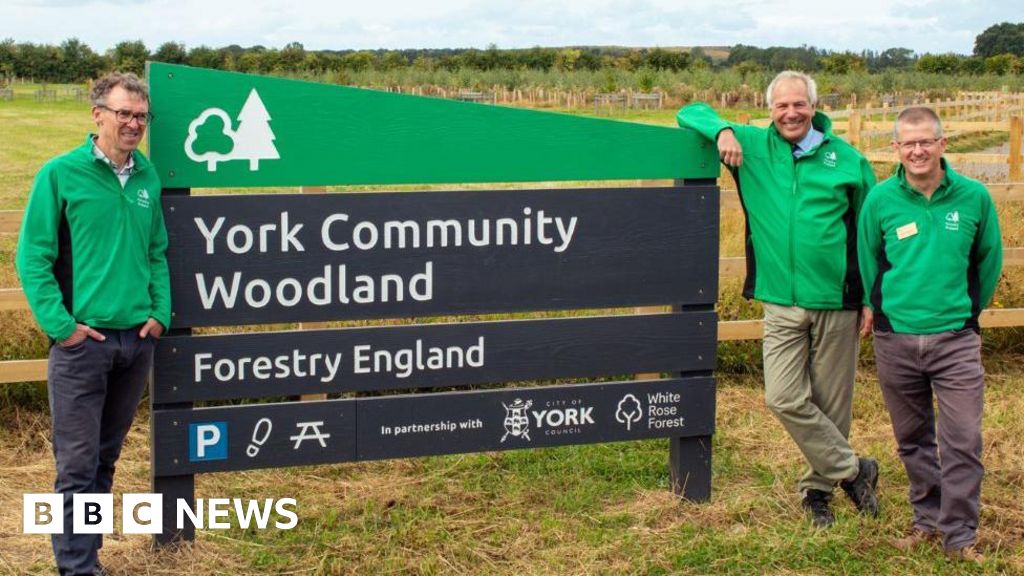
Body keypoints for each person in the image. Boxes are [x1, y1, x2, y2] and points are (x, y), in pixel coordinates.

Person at [677, 71, 879, 527]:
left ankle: (816, 491)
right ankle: (853, 470)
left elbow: (871, 236)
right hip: (780, 300)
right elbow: (689, 112)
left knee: (832, 404)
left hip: (838, 299)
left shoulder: (848, 160)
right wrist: (722, 130)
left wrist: (870, 297)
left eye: (799, 105)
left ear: (814, 107)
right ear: (770, 109)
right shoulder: (751, 146)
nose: (791, 113)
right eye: (782, 105)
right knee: (783, 397)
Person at [16, 72, 170, 576]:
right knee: (77, 467)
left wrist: (160, 313)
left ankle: (90, 557)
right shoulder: (60, 174)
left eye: (141, 116)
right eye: (124, 113)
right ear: (97, 114)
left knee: (105, 459)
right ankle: (77, 567)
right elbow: (32, 258)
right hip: (84, 345)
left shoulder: (146, 177)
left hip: (136, 341)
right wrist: (62, 328)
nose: (133, 124)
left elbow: (156, 251)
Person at [858, 106, 1001, 564]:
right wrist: (878, 309)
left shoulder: (974, 197)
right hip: (896, 340)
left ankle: (959, 537)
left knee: (963, 440)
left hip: (955, 340)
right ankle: (928, 521)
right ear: (895, 148)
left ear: (943, 144)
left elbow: (989, 260)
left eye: (926, 141)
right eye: (908, 143)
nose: (917, 150)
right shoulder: (880, 200)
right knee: (913, 439)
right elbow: (868, 259)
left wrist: (966, 311)